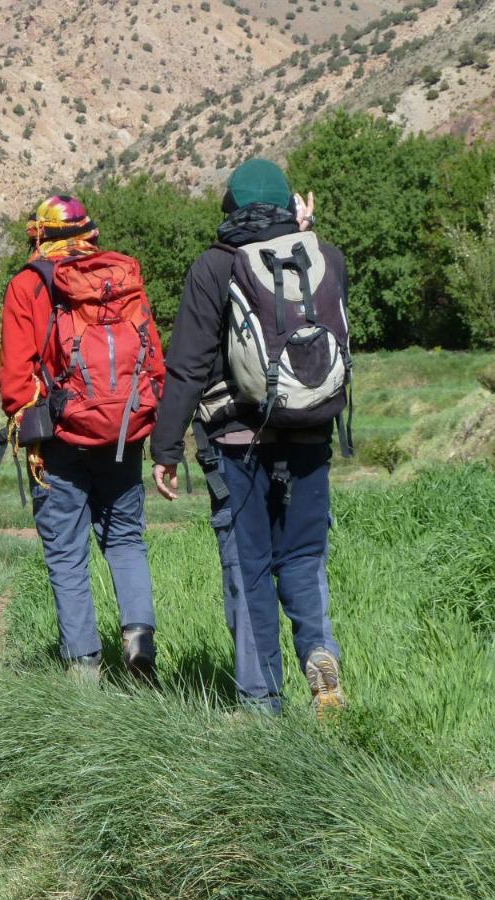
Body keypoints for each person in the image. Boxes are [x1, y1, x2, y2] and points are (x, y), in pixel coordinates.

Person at [150, 159, 350, 716]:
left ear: (231, 208)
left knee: (249, 566)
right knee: (305, 557)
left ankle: (262, 701)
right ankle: (318, 650)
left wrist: (165, 449)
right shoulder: (323, 258)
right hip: (309, 433)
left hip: (236, 441)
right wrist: (304, 231)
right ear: (291, 206)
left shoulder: (215, 266)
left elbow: (188, 366)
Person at [0, 195, 165, 682]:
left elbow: (15, 379)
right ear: (89, 231)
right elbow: (153, 359)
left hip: (60, 441)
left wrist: (28, 428)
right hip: (124, 434)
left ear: (39, 234)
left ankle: (83, 671)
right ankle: (138, 641)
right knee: (126, 540)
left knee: (67, 554)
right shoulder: (120, 277)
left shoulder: (28, 284)